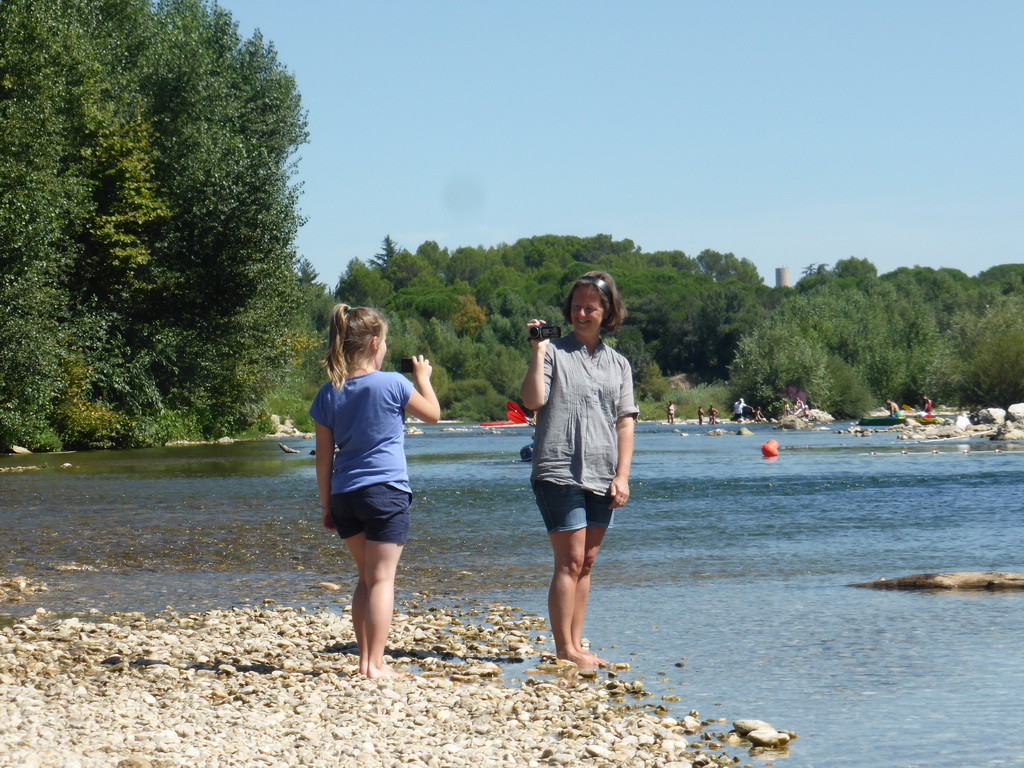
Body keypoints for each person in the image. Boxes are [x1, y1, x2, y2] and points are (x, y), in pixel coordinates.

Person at [310, 304, 440, 679]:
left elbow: (323, 458)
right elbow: (432, 413)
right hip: (385, 490)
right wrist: (424, 377)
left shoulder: (328, 392)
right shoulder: (394, 384)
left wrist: (325, 503)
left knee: (366, 577)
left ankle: (365, 661)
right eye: (383, 343)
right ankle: (376, 665)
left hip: (344, 494)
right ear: (372, 343)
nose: (384, 349)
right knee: (382, 578)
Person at [520, 271, 638, 668]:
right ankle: (564, 650)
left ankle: (575, 642)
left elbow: (625, 422)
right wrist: (537, 351)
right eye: (576, 307)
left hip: (603, 473)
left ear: (607, 312)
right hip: (557, 469)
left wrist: (622, 475)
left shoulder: (619, 364)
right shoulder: (552, 351)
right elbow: (533, 400)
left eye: (590, 307)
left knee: (586, 563)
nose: (582, 313)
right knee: (569, 561)